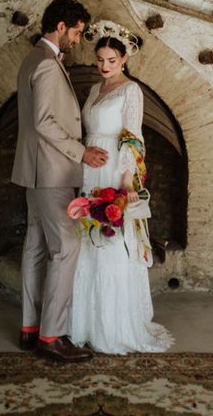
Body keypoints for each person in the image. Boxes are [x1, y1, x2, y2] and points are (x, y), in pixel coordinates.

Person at [11, 0, 109, 362]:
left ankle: (29, 328)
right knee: (66, 247)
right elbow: (45, 123)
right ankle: (51, 337)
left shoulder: (33, 59)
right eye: (77, 32)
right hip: (52, 171)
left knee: (36, 247)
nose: (78, 40)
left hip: (33, 171)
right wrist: (81, 152)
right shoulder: (49, 65)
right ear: (61, 27)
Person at [69, 21, 173, 354]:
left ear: (124, 58)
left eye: (111, 60)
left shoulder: (131, 90)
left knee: (112, 238)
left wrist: (126, 181)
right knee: (88, 235)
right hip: (90, 168)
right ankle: (84, 321)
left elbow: (133, 137)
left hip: (114, 168)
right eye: (100, 59)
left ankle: (114, 325)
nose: (104, 66)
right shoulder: (93, 89)